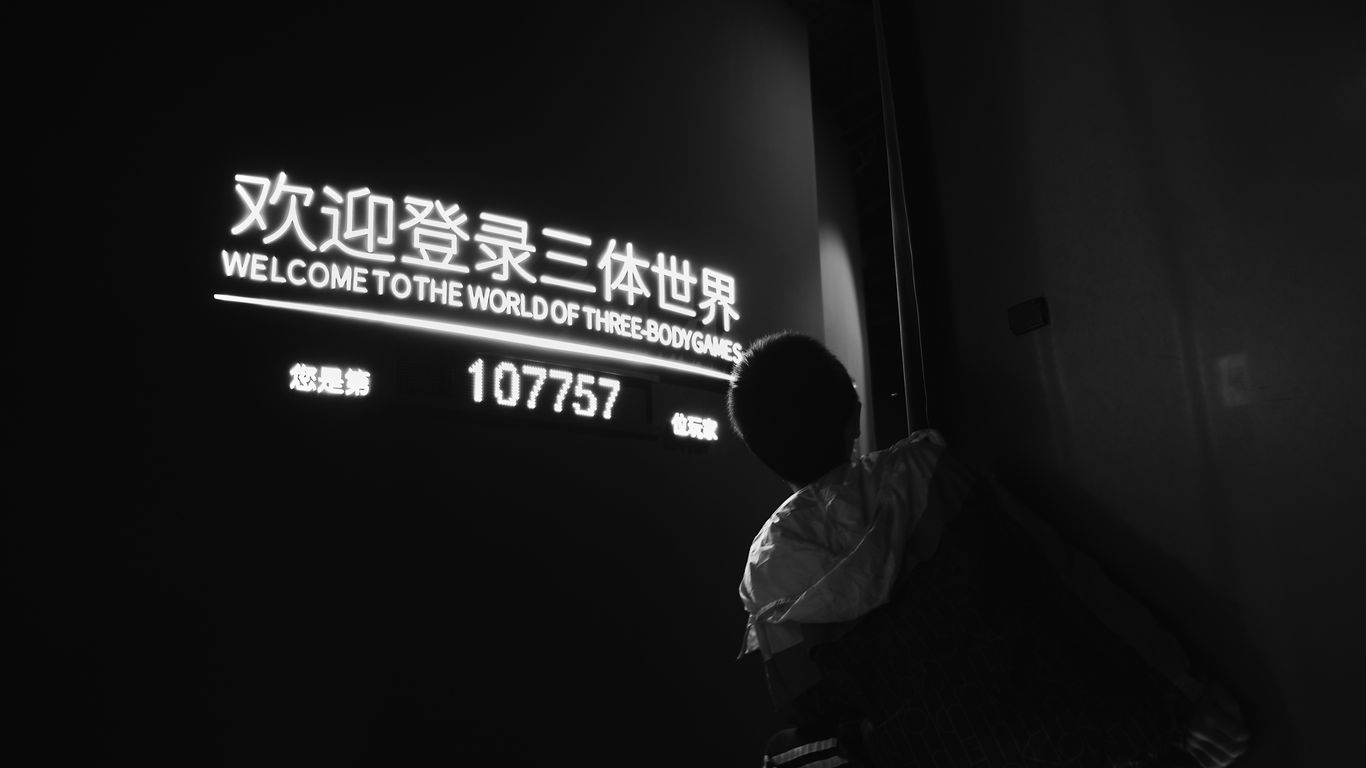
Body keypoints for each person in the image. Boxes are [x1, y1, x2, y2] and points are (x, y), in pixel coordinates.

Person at [726, 330, 1250, 768]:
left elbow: (813, 720)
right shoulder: (931, 477)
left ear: (765, 457)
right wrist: (1183, 697)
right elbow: (1068, 590)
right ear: (854, 415)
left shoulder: (767, 579)